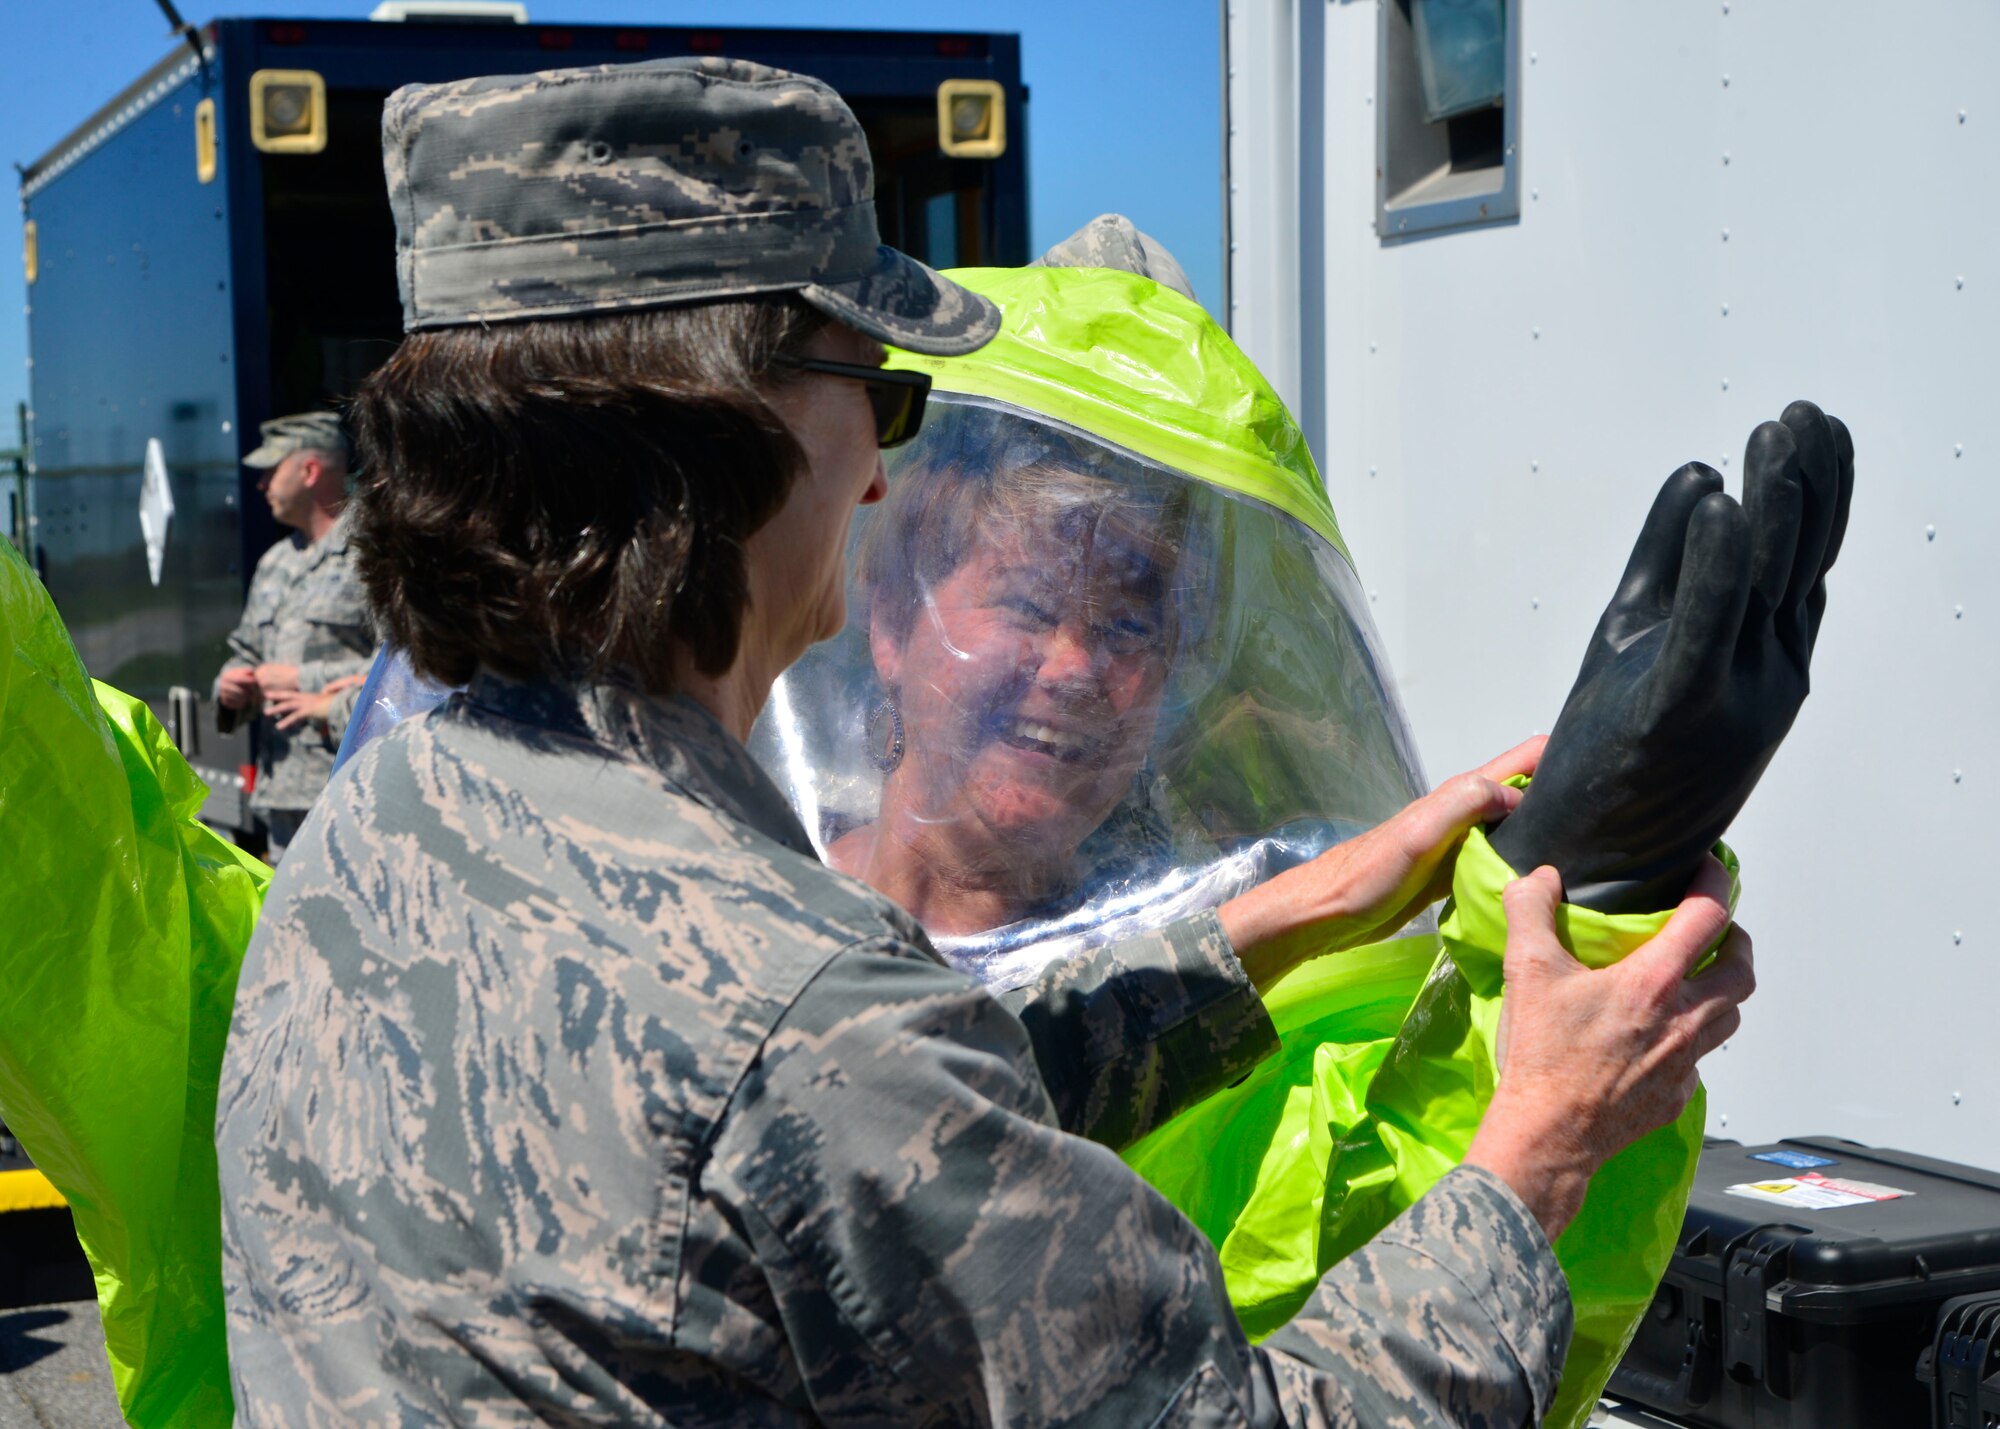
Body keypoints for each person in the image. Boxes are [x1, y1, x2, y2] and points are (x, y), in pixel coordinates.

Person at [215, 57, 1754, 1426]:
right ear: (722, 429)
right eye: (878, 397)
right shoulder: (805, 1015)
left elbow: (809, 1159)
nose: (881, 483)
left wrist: (1258, 936)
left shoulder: (385, 824)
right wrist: (1545, 1139)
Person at [212, 410, 373, 860]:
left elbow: (408, 670)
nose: (261, 486)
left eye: (271, 472)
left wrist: (302, 681)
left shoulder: (375, 553)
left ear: (309, 471)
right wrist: (230, 686)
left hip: (351, 791)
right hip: (282, 796)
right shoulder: (275, 562)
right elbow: (244, 652)